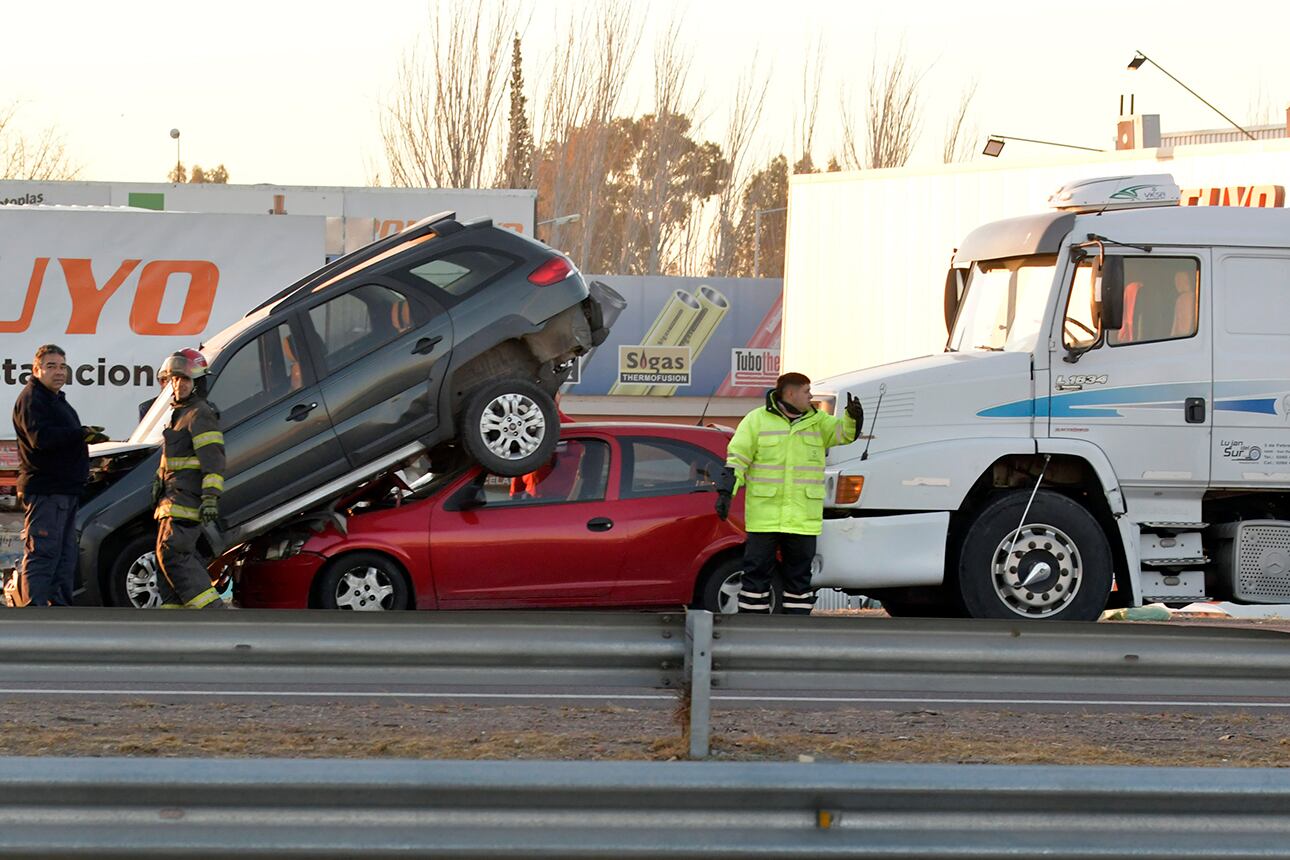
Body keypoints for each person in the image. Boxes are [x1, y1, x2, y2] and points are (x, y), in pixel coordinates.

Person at [715, 372, 863, 615]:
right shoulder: (756, 421)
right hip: (765, 518)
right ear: (791, 393)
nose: (811, 397)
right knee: (756, 576)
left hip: (802, 519)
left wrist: (852, 418)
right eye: (807, 392)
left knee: (799, 580)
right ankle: (751, 630)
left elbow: (844, 434)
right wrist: (725, 493)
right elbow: (737, 460)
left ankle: (796, 632)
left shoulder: (818, 422)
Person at [11, 344, 107, 607]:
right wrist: (79, 434)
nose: (59, 372)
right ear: (36, 370)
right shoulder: (32, 399)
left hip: (64, 491)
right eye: (51, 366)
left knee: (64, 557)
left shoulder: (56, 400)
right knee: (43, 553)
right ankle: (36, 613)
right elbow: (40, 439)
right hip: (47, 491)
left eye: (62, 366)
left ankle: (60, 615)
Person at [152, 348, 226, 609]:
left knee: (174, 555)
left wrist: (210, 498)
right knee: (163, 562)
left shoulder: (199, 413)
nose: (177, 385)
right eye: (174, 379)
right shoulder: (180, 414)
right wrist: (159, 481)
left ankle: (212, 614)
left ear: (197, 383)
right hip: (170, 500)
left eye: (184, 379)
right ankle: (175, 626)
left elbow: (213, 460)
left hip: (186, 501)